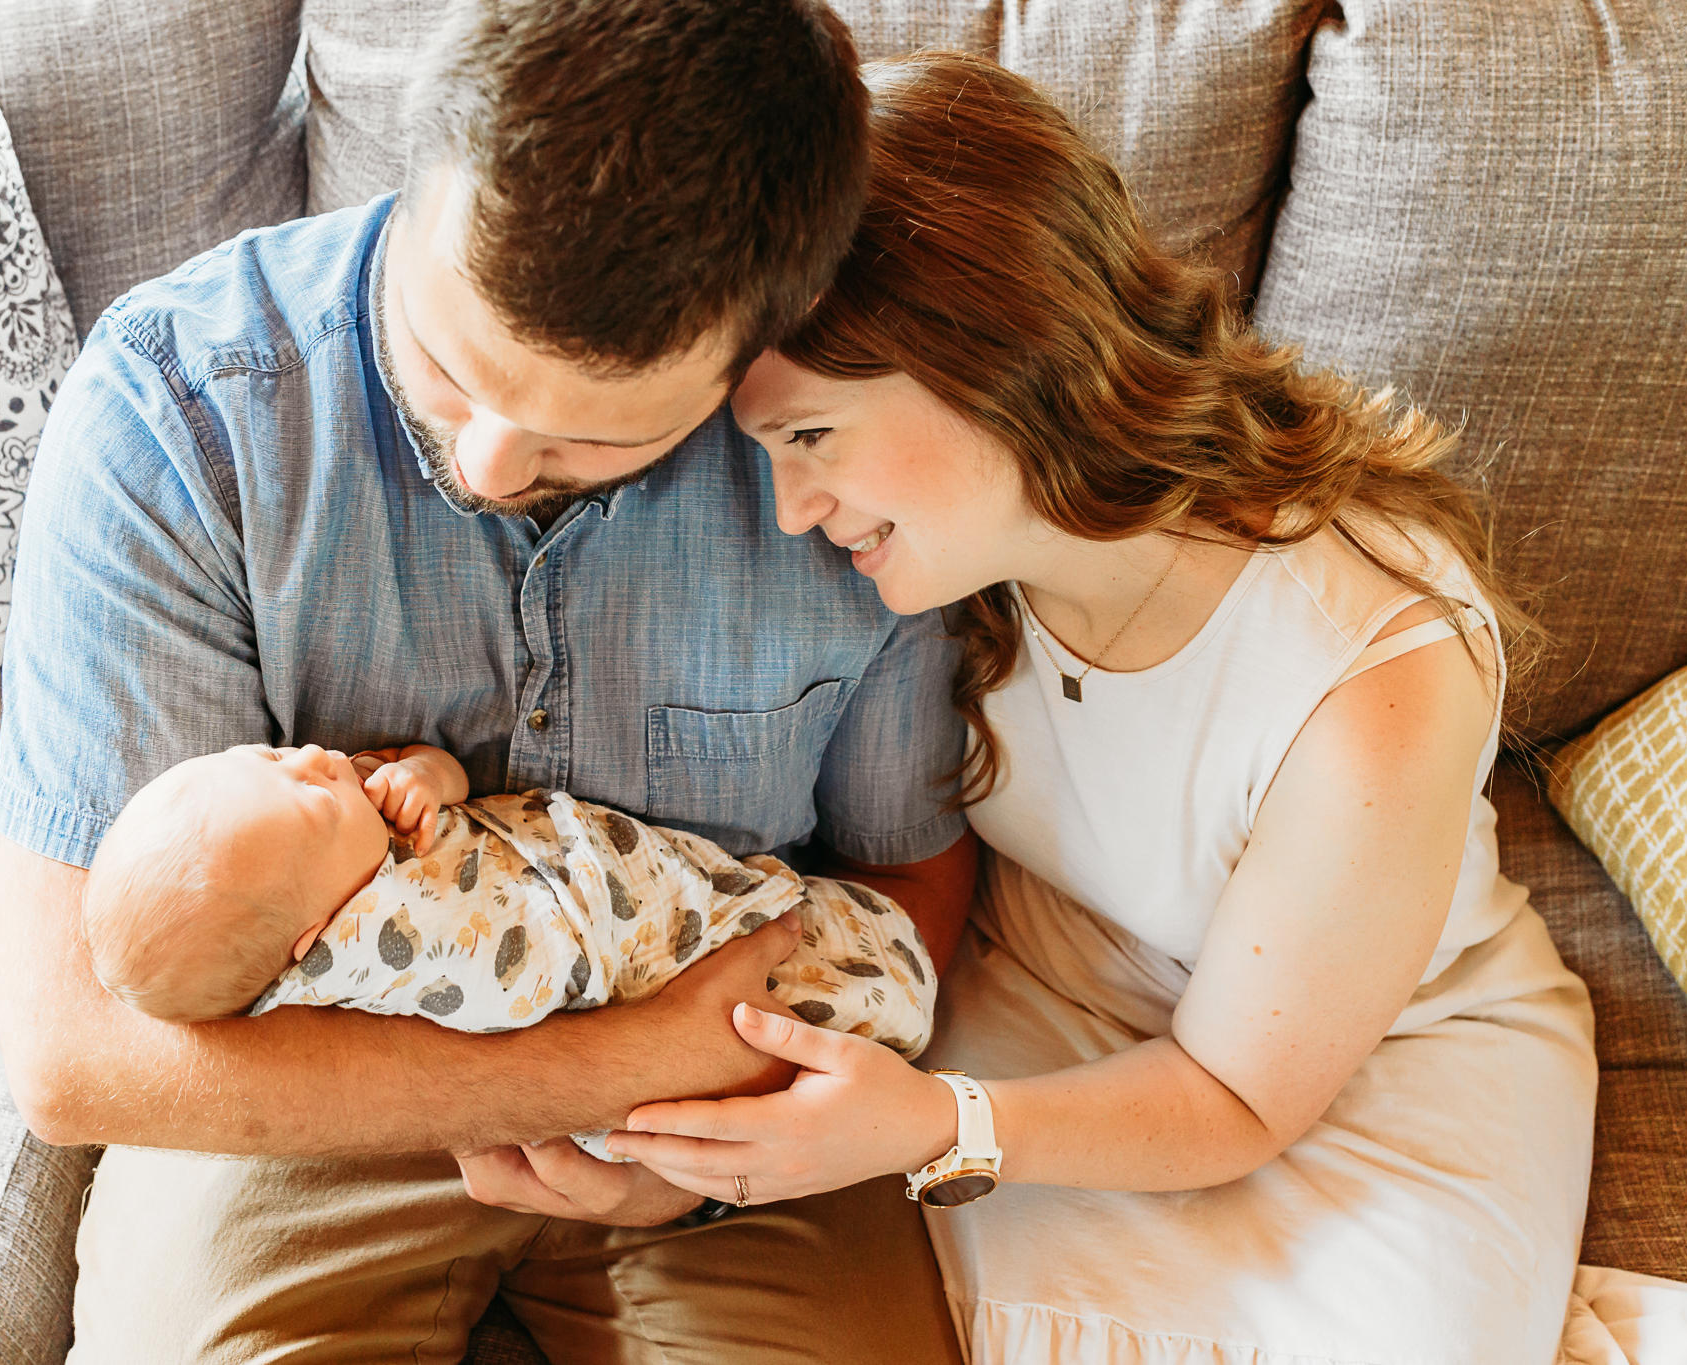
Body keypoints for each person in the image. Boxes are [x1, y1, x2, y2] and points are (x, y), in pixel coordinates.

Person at [0, 1, 974, 1359]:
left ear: (754, 345)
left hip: (726, 1101)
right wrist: (613, 1064)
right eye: (451, 371)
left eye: (583, 438)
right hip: (316, 1101)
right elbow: (77, 1049)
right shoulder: (182, 414)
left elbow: (913, 881)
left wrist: (688, 1124)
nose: (492, 466)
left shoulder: (851, 454)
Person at [612, 51, 1597, 1363]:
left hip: (1342, 1063)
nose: (787, 509)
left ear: (991, 359)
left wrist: (938, 1125)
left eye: (814, 438)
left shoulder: (1371, 663)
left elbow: (1236, 1093)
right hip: (1040, 981)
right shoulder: (930, 561)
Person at [78, 740, 937, 1104]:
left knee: (826, 929)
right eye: (304, 793)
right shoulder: (396, 949)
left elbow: (453, 780)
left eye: (268, 756)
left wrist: (429, 777)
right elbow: (530, 999)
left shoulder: (349, 821)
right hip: (629, 967)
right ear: (312, 939)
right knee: (807, 987)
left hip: (652, 875)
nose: (312, 758)